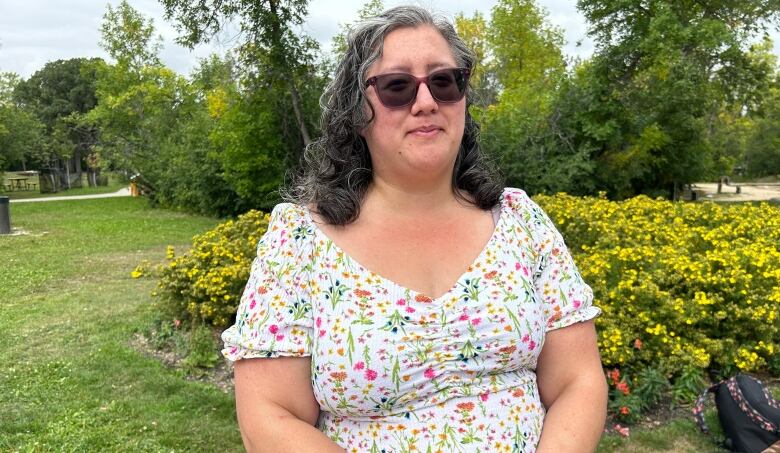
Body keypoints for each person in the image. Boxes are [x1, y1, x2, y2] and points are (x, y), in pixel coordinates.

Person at [221, 5, 607, 452]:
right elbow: (270, 414)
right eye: (397, 87)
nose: (425, 102)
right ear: (356, 112)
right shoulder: (300, 242)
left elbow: (578, 381)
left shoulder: (522, 223)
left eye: (444, 81)